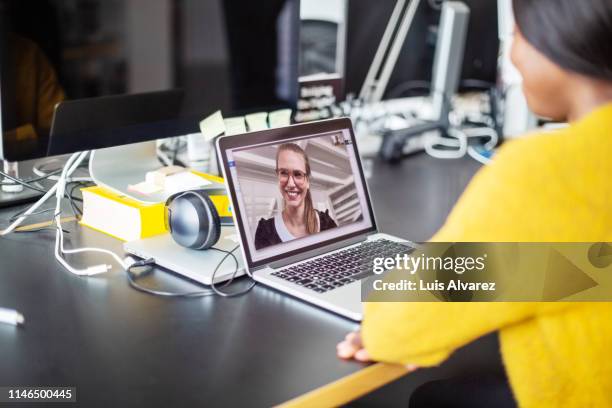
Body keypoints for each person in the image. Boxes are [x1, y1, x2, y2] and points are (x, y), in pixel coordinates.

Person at [337, 0, 612, 407]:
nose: (513, 57)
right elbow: (583, 267)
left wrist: (390, 321)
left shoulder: (545, 176)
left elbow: (398, 325)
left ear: (556, 41)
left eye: (516, 35)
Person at [255, 143, 337, 250]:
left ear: (307, 181)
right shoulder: (265, 232)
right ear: (277, 176)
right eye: (283, 173)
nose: (290, 184)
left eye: (298, 174)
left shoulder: (326, 224)